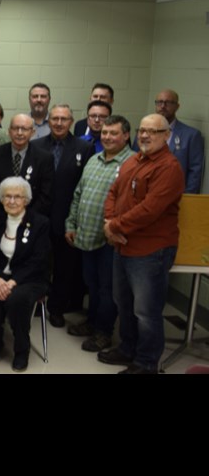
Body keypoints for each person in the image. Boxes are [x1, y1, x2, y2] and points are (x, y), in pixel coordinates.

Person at [98, 114, 184, 374]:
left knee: (146, 311)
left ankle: (146, 363)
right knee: (123, 302)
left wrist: (114, 226)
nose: (145, 135)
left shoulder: (169, 167)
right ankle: (127, 349)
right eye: (142, 130)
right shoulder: (133, 160)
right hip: (122, 246)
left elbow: (149, 210)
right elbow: (113, 192)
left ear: (166, 135)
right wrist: (111, 223)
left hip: (150, 251)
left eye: (153, 131)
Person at [64, 115, 134, 352]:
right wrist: (71, 224)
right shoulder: (94, 159)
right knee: (92, 285)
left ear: (126, 135)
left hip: (110, 240)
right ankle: (92, 322)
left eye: (114, 133)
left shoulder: (132, 163)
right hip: (87, 235)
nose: (107, 137)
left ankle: (104, 332)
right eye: (104, 133)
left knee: (108, 289)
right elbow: (78, 195)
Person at [32, 104, 95, 329]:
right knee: (37, 263)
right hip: (38, 216)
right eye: (55, 119)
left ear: (71, 122)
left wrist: (75, 220)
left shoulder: (84, 148)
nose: (59, 123)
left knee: (64, 268)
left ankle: (56, 308)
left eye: (64, 119)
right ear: (49, 121)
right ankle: (34, 303)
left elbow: (83, 187)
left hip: (67, 217)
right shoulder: (36, 145)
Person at [0, 177, 51, 372]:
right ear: (1, 199)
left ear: (26, 200)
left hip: (30, 278)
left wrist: (12, 282)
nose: (12, 201)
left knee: (17, 299)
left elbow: (39, 260)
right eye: (7, 196)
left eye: (17, 197)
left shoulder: (40, 223)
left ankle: (21, 349)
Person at [0, 113, 53, 226]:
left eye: (25, 129)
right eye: (15, 128)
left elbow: (45, 195)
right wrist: (2, 217)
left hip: (30, 222)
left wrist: (25, 218)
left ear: (32, 132)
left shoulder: (44, 158)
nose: (19, 133)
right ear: (9, 131)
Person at [135, 89, 204, 193]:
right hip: (143, 191)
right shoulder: (143, 132)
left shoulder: (191, 135)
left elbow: (195, 172)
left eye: (168, 102)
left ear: (177, 106)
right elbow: (135, 159)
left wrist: (187, 197)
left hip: (175, 195)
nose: (163, 106)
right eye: (159, 102)